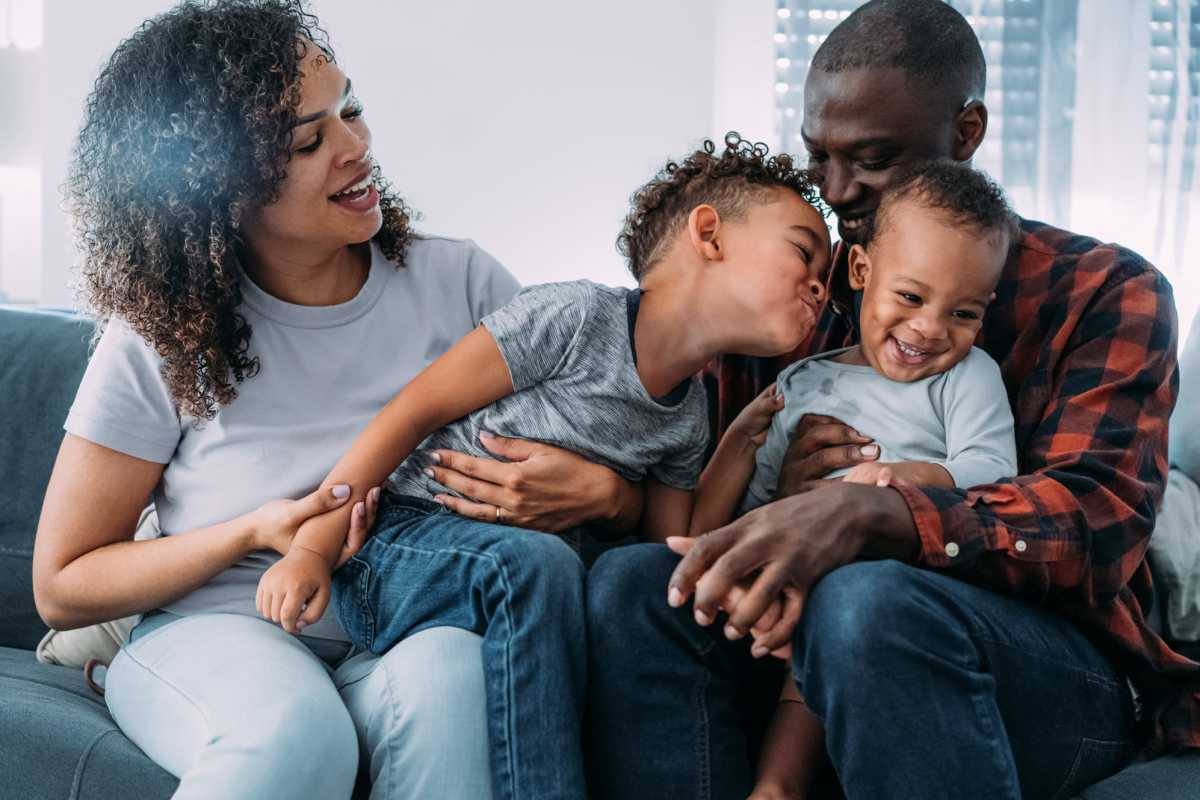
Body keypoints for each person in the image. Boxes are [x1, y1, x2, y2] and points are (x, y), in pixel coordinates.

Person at [31, 2, 640, 798]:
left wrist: (611, 498)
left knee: (458, 680)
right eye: (307, 142)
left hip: (405, 629)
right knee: (296, 729)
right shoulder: (163, 335)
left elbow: (616, 460)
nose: (356, 147)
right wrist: (252, 530)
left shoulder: (462, 283)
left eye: (349, 110)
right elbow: (64, 583)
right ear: (220, 191)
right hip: (215, 632)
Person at [586, 1, 1193, 799]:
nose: (838, 193)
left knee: (865, 602)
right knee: (634, 585)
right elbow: (688, 461)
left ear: (965, 132)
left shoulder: (1103, 291)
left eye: (872, 159)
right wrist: (635, 493)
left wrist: (878, 513)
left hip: (1045, 664)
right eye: (819, 158)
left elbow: (1096, 523)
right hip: (798, 633)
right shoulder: (795, 293)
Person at [252, 134, 831, 800]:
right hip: (398, 547)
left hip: (518, 582)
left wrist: (740, 443)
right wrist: (314, 546)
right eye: (803, 251)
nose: (819, 283)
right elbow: (411, 412)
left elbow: (670, 550)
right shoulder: (575, 317)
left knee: (561, 572)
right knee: (537, 565)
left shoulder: (689, 414)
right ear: (709, 235)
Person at [677, 159, 1018, 800]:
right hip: (797, 570)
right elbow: (756, 505)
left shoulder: (967, 376)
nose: (930, 328)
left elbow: (994, 470)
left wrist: (900, 477)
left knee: (842, 606)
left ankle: (778, 783)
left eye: (964, 313)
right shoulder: (804, 382)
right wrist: (737, 463)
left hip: (899, 578)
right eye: (910, 298)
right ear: (861, 271)